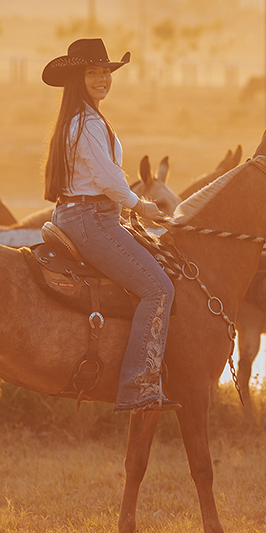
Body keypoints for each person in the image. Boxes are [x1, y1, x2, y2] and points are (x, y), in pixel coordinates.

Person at [42, 38, 180, 412]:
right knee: (158, 289)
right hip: (92, 219)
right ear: (78, 79)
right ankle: (139, 385)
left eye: (106, 72)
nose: (102, 79)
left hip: (82, 215)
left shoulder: (79, 119)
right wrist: (140, 205)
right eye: (93, 72)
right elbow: (108, 179)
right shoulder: (88, 123)